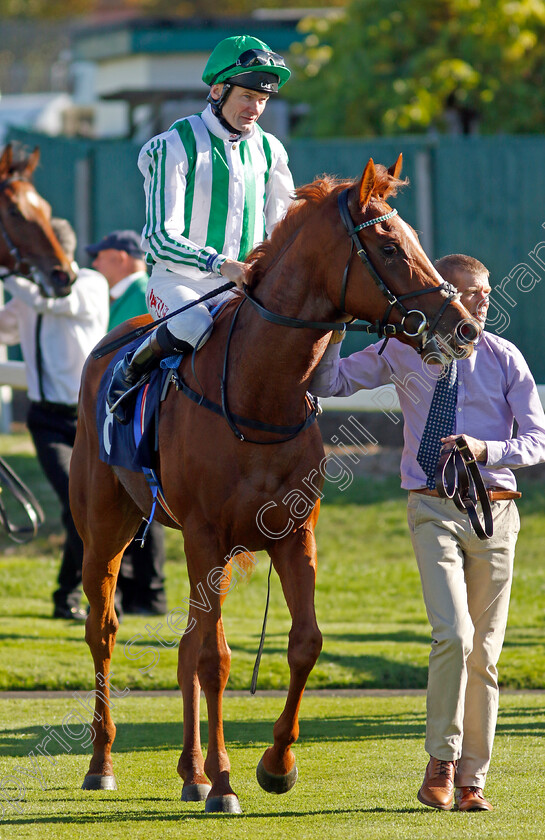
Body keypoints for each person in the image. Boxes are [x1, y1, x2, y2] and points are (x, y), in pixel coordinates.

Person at [310, 253, 545, 812]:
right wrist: (336, 327)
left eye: (486, 293)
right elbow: (331, 381)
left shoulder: (505, 357)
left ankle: (471, 782)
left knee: (485, 655)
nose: (481, 301)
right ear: (445, 296)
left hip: (497, 511)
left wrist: (488, 449)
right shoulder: (404, 349)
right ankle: (440, 761)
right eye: (470, 292)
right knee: (455, 636)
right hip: (432, 507)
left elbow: (538, 442)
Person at [107, 34, 294, 422]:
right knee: (194, 324)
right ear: (217, 90)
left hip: (243, 286)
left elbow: (283, 225)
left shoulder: (271, 149)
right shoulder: (171, 144)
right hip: (179, 283)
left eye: (263, 99)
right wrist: (222, 264)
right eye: (247, 96)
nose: (256, 108)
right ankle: (130, 371)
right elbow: (159, 238)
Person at [0, 218, 110, 620]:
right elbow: (5, 328)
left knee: (93, 506)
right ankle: (68, 596)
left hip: (90, 417)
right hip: (47, 418)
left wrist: (7, 274)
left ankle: (93, 590)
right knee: (74, 502)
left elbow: (56, 303)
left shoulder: (91, 285)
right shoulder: (27, 296)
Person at [85, 229, 167, 615]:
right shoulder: (129, 294)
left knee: (139, 492)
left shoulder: (140, 294)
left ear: (119, 256)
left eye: (98, 256)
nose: (93, 263)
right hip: (135, 405)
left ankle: (144, 593)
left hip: (134, 408)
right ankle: (142, 594)